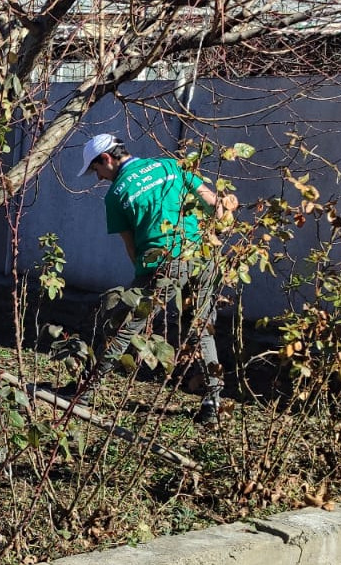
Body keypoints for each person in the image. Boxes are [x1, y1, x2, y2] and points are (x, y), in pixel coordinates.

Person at [68, 133, 234, 426]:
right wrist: (213, 237)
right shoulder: (171, 166)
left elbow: (132, 248)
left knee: (122, 325)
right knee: (201, 327)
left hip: (161, 264)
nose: (99, 177)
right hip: (203, 257)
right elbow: (215, 205)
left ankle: (85, 391)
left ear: (106, 158)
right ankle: (213, 403)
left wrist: (144, 284)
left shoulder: (117, 193)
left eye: (96, 170)